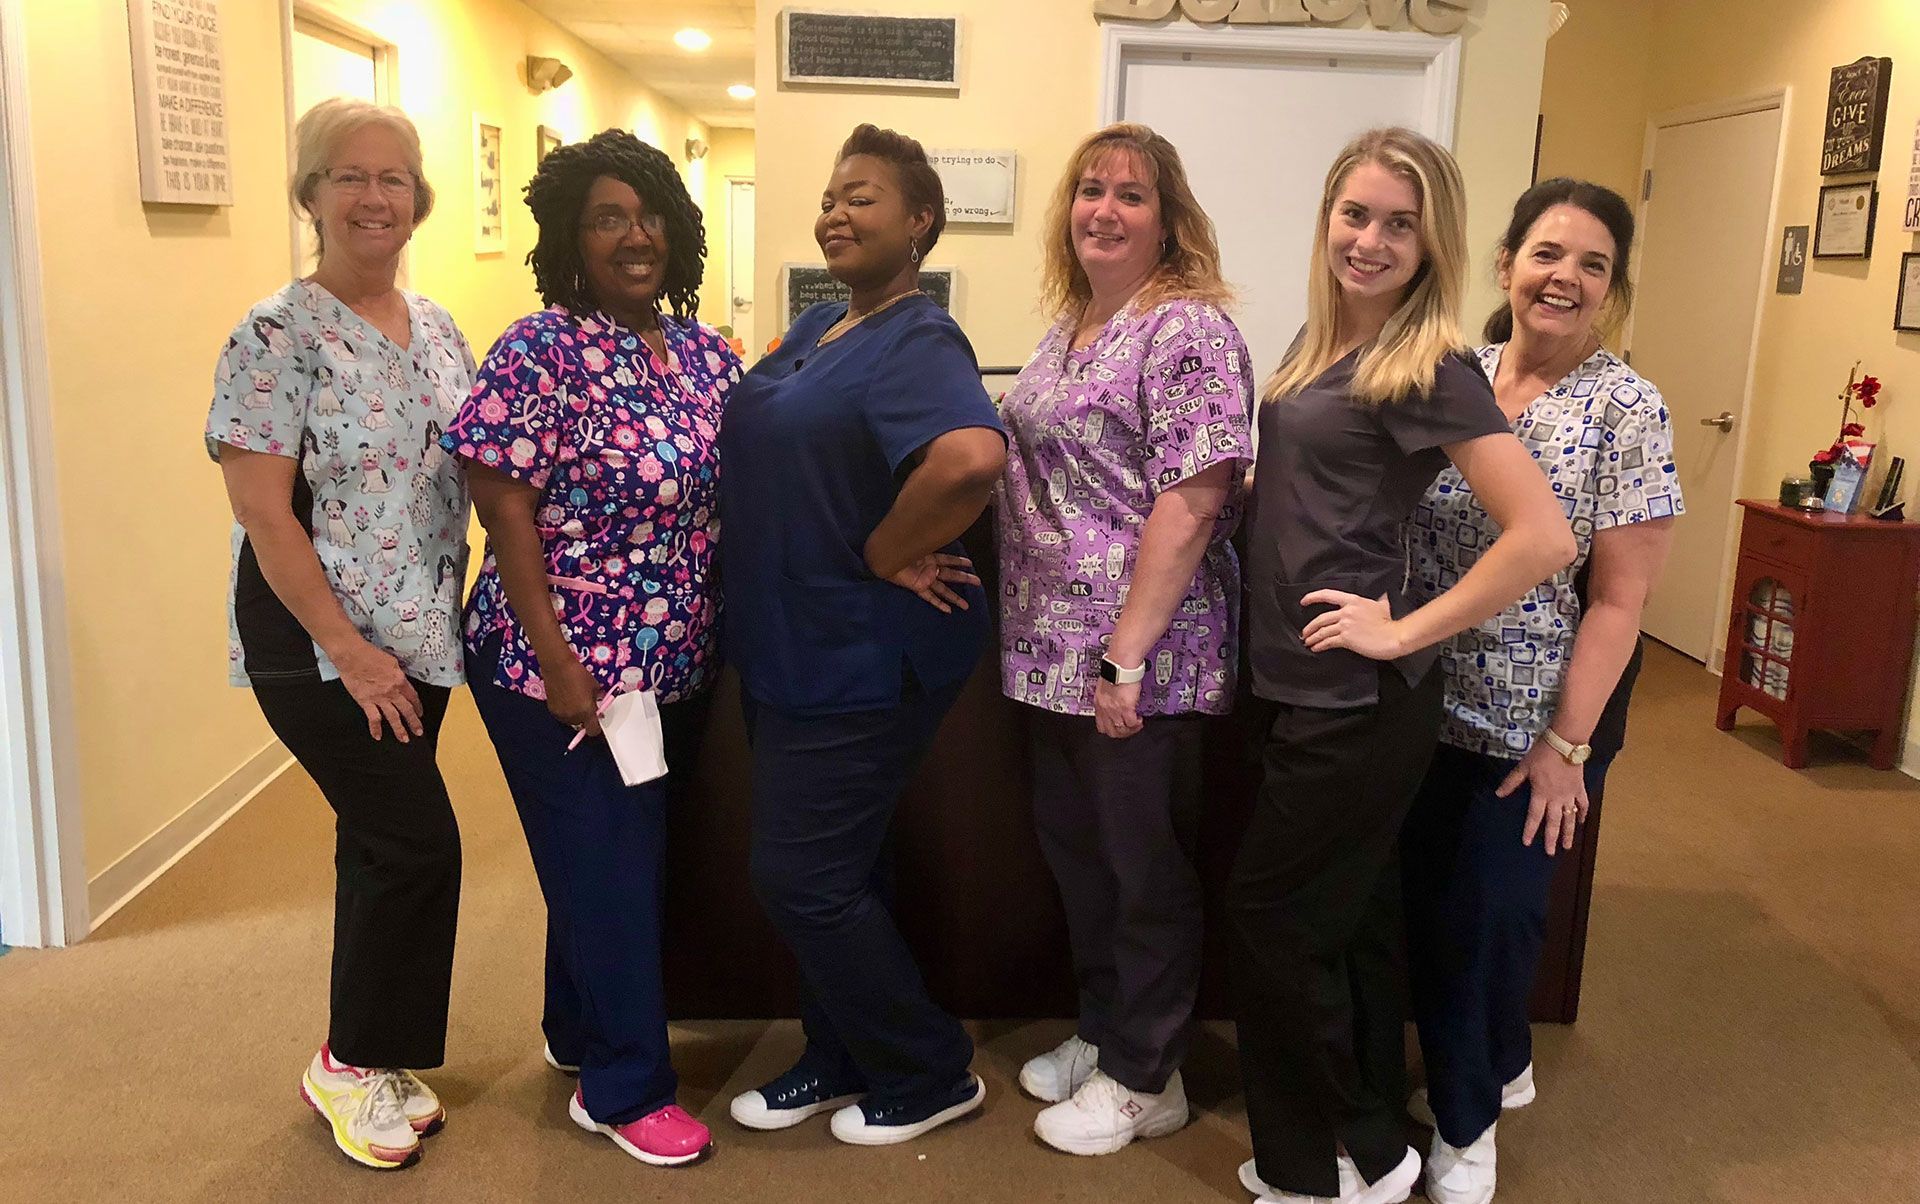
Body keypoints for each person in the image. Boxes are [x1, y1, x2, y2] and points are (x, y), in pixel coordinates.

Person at [1229, 127, 1577, 1204]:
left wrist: (1404, 628)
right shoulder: (1317, 340)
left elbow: (1543, 535)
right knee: (1350, 925)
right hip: (1296, 685)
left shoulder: (1428, 362)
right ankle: (1377, 1142)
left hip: (1356, 696)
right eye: (1356, 213)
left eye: (1399, 223)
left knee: (1274, 926)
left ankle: (1327, 1166)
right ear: (1328, 215)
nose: (1371, 240)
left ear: (1434, 243)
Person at [442, 129, 740, 1168]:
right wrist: (560, 659)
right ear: (573, 234)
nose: (635, 234)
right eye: (608, 216)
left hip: (666, 669)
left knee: (608, 860)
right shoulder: (541, 348)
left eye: (651, 212)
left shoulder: (704, 351)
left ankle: (577, 1032)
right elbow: (503, 507)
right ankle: (624, 1087)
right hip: (552, 664)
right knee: (611, 867)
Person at [719, 124, 1006, 1146]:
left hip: (857, 654)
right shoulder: (819, 325)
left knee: (801, 876)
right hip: (787, 643)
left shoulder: (917, 337)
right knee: (846, 865)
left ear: (921, 220)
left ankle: (927, 1070)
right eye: (831, 196)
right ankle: (839, 1055)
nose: (837, 212)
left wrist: (887, 548)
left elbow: (972, 458)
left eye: (865, 197)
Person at [1400, 179, 1681, 1204]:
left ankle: (1467, 1125)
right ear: (1509, 263)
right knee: (1433, 899)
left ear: (1612, 289)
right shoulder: (1454, 375)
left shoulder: (1626, 406)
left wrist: (1568, 747)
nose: (1564, 276)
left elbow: (1619, 600)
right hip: (1427, 691)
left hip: (1543, 707)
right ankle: (1504, 1053)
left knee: (1492, 916)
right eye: (1548, 253)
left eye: (1592, 264)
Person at [205, 97, 471, 1171]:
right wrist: (352, 652)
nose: (374, 197)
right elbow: (265, 512)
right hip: (320, 644)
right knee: (419, 845)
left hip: (421, 629)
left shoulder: (441, 324)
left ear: (419, 200)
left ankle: (370, 1054)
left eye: (394, 178)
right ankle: (350, 1059)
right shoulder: (274, 334)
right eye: (349, 176)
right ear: (310, 194)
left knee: (376, 843)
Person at [996, 122, 1253, 1156]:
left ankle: (1152, 1073)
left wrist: (1127, 658)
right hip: (1050, 654)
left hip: (1143, 657)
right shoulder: (1073, 325)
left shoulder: (1185, 329)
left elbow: (1193, 503)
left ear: (1171, 220)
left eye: (1131, 195)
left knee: (1144, 871)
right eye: (1090, 189)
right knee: (1084, 861)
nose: (1104, 208)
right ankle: (1107, 1033)